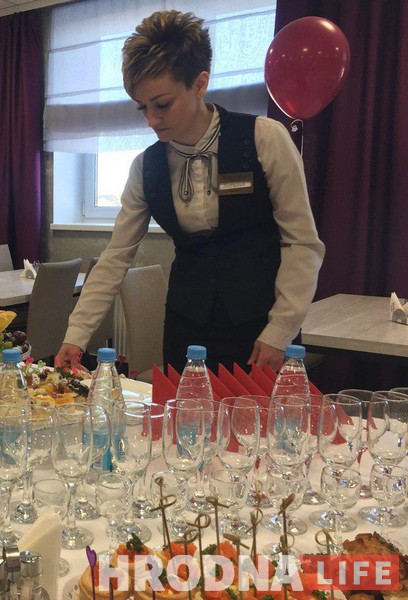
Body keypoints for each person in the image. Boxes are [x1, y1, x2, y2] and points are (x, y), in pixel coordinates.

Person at [56, 10, 325, 374]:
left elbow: (301, 243)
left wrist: (281, 329)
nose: (151, 119)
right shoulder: (146, 166)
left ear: (200, 84)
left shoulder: (264, 138)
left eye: (162, 104)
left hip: (264, 328)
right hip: (186, 329)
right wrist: (77, 334)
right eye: (142, 107)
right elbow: (116, 257)